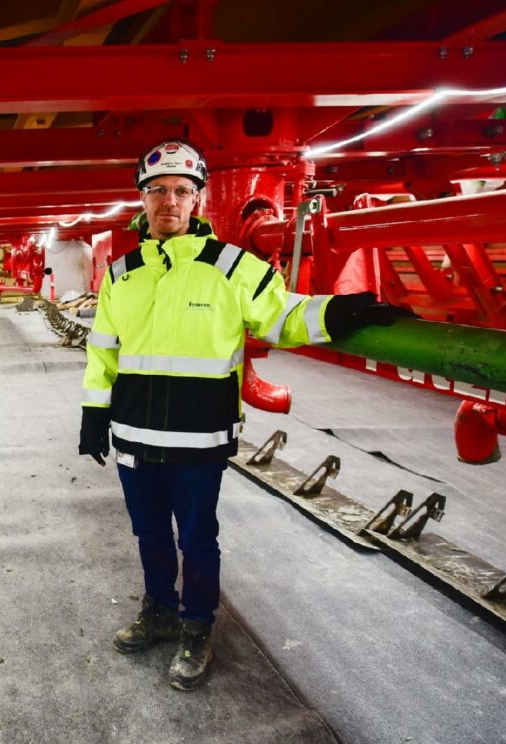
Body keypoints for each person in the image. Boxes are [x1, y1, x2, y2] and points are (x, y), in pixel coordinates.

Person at [79, 139, 410, 691]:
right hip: (134, 437)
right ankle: (159, 611)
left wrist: (342, 309)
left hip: (199, 439)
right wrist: (94, 415)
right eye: (157, 190)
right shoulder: (122, 275)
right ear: (141, 199)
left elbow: (286, 316)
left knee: (198, 539)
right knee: (149, 534)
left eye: (182, 191)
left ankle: (196, 628)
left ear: (199, 201)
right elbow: (103, 354)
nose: (170, 202)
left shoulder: (233, 269)